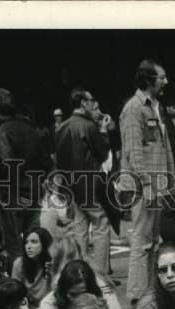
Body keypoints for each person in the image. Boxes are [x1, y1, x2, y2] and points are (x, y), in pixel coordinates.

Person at [119, 59, 175, 309]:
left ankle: (150, 291)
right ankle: (137, 295)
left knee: (152, 241)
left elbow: (162, 149)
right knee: (141, 242)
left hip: (156, 185)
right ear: (148, 80)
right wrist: (148, 184)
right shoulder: (134, 109)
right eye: (162, 77)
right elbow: (134, 152)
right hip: (145, 187)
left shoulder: (154, 107)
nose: (166, 82)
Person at [0, 88, 53, 277]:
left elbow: (8, 164)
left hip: (12, 197)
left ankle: (16, 291)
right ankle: (37, 284)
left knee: (14, 247)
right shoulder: (31, 128)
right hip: (33, 193)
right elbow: (47, 162)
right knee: (34, 244)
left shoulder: (1, 131)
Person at [55, 87, 113, 282]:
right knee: (101, 226)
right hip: (90, 184)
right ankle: (101, 275)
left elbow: (59, 160)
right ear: (83, 103)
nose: (92, 104)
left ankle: (79, 273)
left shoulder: (61, 127)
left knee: (79, 228)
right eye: (90, 101)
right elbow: (103, 154)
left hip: (71, 186)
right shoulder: (88, 126)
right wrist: (103, 131)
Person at [39, 258, 122, 309]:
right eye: (71, 294)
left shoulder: (100, 299)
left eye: (79, 294)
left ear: (90, 292)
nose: (73, 298)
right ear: (63, 289)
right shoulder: (48, 304)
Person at [10, 225, 54, 309]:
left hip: (50, 307)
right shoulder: (19, 264)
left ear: (44, 244)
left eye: (34, 242)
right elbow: (15, 294)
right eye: (26, 242)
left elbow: (58, 294)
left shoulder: (53, 262)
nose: (28, 246)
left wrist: (53, 274)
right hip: (27, 308)